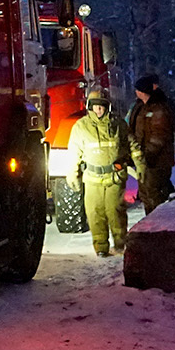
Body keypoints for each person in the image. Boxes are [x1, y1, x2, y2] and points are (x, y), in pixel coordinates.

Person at [67, 91, 133, 256]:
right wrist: (72, 173)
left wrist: (139, 165)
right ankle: (101, 248)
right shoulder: (80, 127)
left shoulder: (119, 125)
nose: (98, 110)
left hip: (114, 178)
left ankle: (120, 245)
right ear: (89, 106)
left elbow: (131, 145)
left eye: (102, 106)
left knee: (115, 212)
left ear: (107, 106)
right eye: (95, 106)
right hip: (92, 179)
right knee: (95, 215)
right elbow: (74, 152)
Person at [130, 76, 175, 215]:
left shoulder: (158, 109)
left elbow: (159, 137)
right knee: (146, 195)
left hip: (157, 162)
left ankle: (160, 226)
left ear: (142, 91)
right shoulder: (141, 107)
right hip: (145, 161)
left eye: (137, 89)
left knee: (155, 196)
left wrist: (146, 156)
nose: (135, 92)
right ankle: (151, 225)